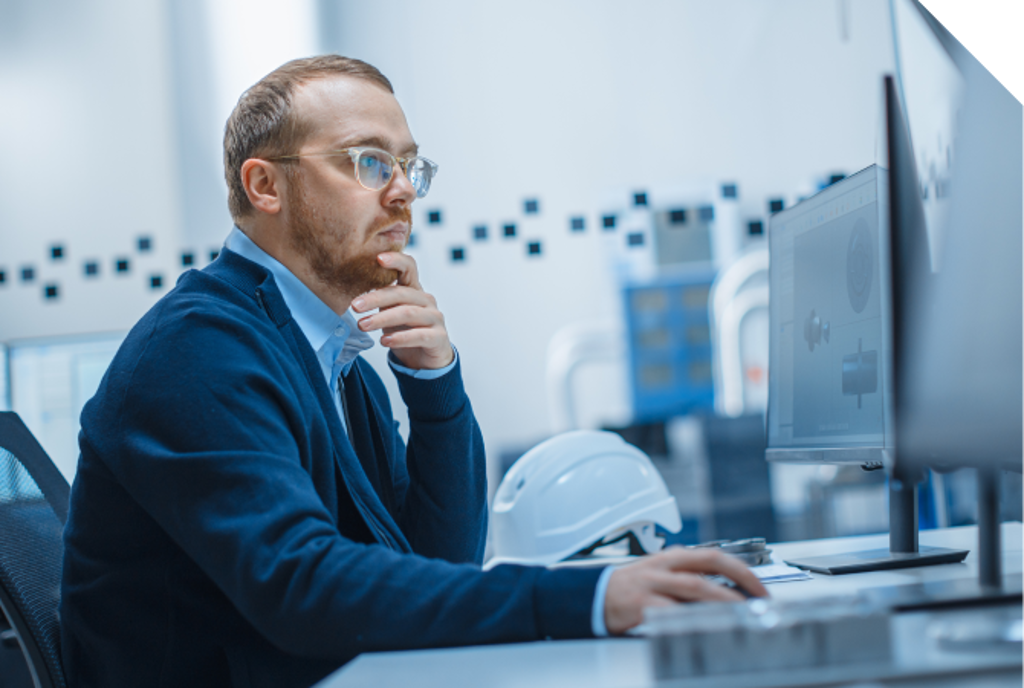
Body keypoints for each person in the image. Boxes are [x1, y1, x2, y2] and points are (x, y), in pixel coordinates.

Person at [59, 55, 767, 688]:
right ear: (265, 185)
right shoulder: (199, 350)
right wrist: (587, 598)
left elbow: (437, 558)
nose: (403, 192)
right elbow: (302, 585)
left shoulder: (337, 360)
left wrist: (434, 384)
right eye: (368, 162)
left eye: (407, 166)